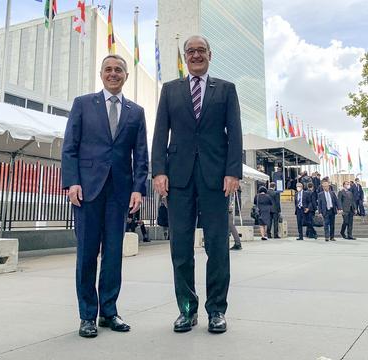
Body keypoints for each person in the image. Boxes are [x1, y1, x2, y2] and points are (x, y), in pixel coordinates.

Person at [151, 35, 242, 334]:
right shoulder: (170, 90)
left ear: (210, 55)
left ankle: (216, 310)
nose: (196, 55)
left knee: (217, 245)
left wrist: (233, 172)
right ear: (185, 57)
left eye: (201, 50)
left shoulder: (226, 90)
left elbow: (235, 134)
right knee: (180, 247)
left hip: (216, 178)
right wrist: (158, 172)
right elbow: (160, 133)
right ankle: (186, 310)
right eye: (191, 51)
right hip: (178, 178)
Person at [62, 55, 148, 338]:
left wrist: (138, 188)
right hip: (87, 191)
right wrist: (72, 182)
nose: (113, 74)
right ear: (101, 74)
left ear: (126, 76)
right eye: (108, 69)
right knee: (87, 253)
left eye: (118, 70)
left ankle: (109, 312)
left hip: (119, 193)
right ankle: (87, 315)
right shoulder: (83, 104)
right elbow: (70, 148)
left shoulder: (136, 112)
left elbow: (141, 156)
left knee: (113, 255)